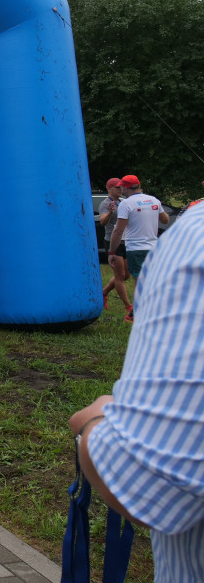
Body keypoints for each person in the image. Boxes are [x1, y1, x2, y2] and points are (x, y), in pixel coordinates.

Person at [68, 204, 204, 582]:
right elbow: (161, 222)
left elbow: (151, 485)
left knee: (127, 277)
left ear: (121, 188)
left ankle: (127, 305)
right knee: (131, 279)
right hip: (149, 245)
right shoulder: (160, 208)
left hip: (139, 247)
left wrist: (93, 419)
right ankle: (124, 304)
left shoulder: (194, 236)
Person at [108, 174, 169, 324]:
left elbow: (118, 231)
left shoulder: (126, 204)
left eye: (122, 186)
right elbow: (165, 220)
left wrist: (111, 252)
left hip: (136, 248)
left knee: (139, 282)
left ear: (127, 187)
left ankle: (135, 315)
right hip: (154, 247)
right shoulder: (154, 200)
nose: (121, 188)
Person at [99, 178, 131, 315]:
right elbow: (102, 222)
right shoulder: (105, 203)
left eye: (121, 187)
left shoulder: (123, 202)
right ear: (109, 188)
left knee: (126, 275)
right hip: (112, 241)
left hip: (125, 241)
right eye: (117, 187)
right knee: (119, 276)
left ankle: (104, 293)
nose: (120, 189)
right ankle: (129, 307)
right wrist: (111, 212)